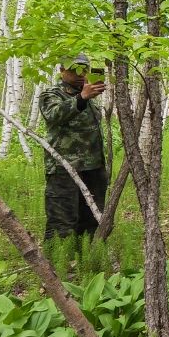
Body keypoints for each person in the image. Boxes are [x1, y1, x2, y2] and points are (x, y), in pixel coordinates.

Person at [40, 54, 109, 241]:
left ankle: (84, 263)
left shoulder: (89, 97)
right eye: (74, 69)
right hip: (64, 169)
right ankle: (54, 267)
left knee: (92, 220)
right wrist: (82, 98)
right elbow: (53, 115)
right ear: (62, 70)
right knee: (61, 222)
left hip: (93, 168)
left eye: (84, 69)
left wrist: (85, 96)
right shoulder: (52, 94)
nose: (80, 74)